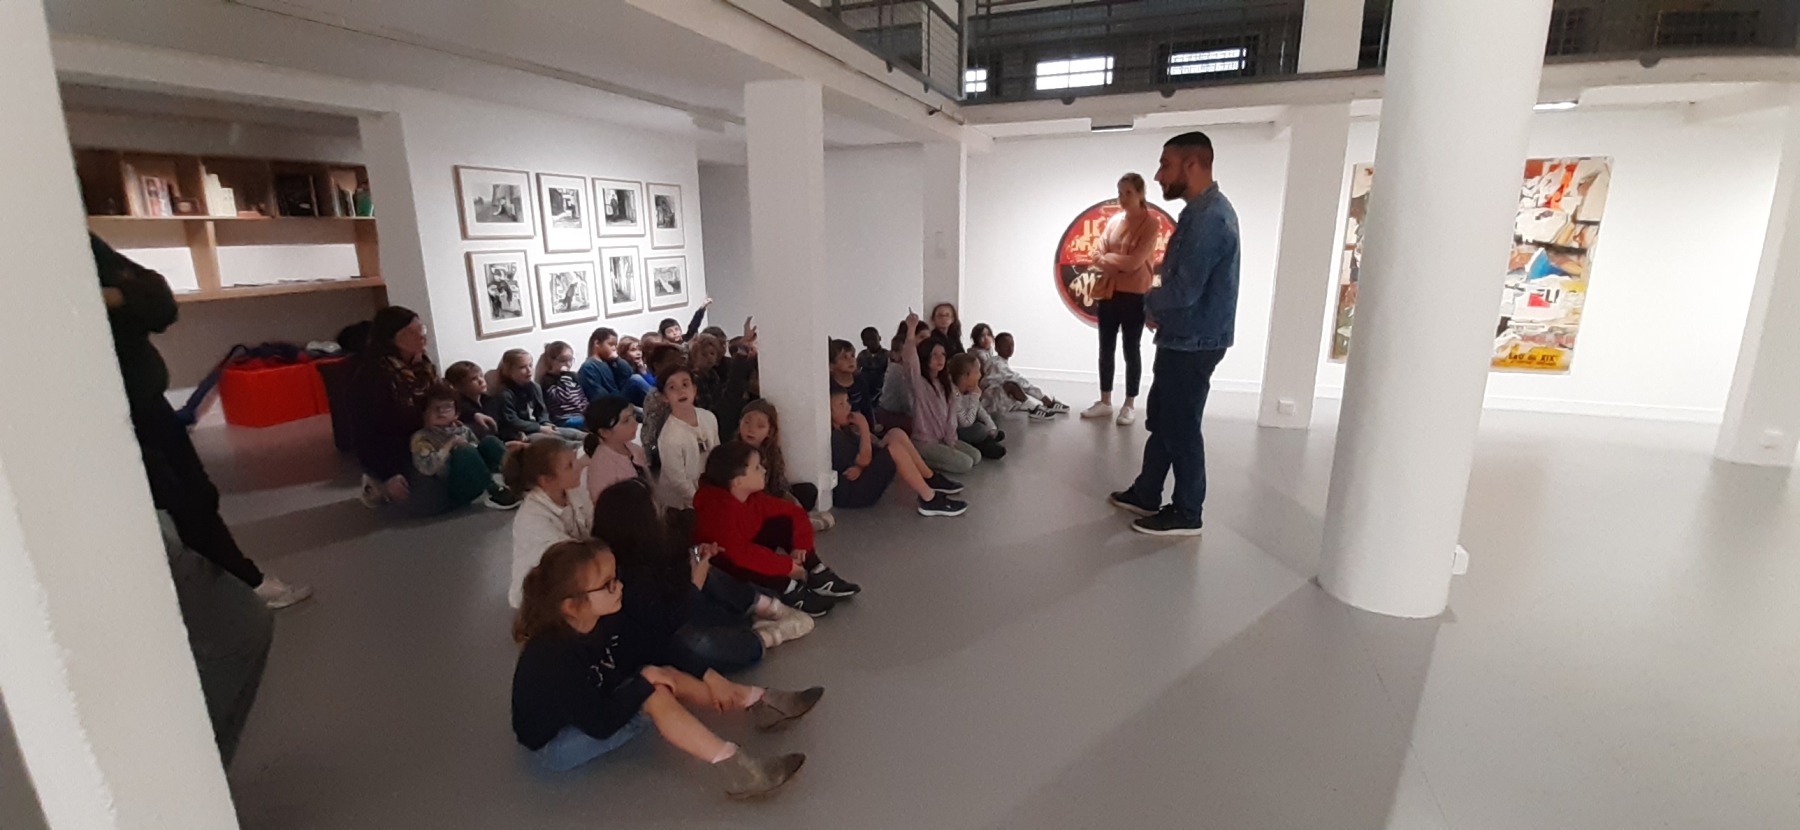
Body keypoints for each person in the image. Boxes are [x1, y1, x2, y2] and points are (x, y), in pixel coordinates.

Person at [92, 234, 309, 609]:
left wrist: (112, 297)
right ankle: (222, 592)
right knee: (166, 501)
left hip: (147, 405)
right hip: (105, 414)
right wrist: (120, 298)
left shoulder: (87, 248)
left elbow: (160, 301)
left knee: (194, 495)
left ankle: (240, 585)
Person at [509, 539, 818, 795]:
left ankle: (754, 700)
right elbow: (600, 723)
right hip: (557, 744)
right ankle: (739, 769)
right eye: (608, 584)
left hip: (594, 702)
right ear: (572, 605)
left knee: (659, 675)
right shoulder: (552, 657)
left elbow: (654, 646)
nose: (619, 587)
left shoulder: (603, 619)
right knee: (654, 694)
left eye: (616, 578)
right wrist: (644, 682)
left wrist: (708, 676)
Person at [1109, 131, 1240, 537]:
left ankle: (1187, 511)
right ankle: (1148, 492)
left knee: (1181, 425)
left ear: (1192, 165)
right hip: (1184, 336)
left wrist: (1149, 303)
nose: (1158, 175)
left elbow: (1185, 289)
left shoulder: (1209, 218)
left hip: (1194, 341)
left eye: (1165, 165)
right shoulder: (1199, 213)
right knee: (1164, 419)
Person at [593, 480, 813, 673]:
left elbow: (675, 564)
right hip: (662, 639)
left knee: (707, 570)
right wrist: (696, 579)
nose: (662, 511)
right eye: (656, 509)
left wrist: (697, 554)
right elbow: (668, 620)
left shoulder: (648, 543)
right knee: (694, 645)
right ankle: (767, 636)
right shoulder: (620, 573)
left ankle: (766, 607)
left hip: (680, 608)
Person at [692, 442, 860, 617]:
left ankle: (816, 571)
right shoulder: (717, 512)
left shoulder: (752, 497)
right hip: (724, 565)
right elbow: (742, 555)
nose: (764, 470)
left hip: (745, 546)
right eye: (756, 468)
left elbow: (794, 513)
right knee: (746, 562)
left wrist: (801, 545)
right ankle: (789, 588)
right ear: (738, 481)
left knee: (782, 522)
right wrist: (786, 567)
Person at [1082, 173, 1162, 427]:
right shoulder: (1114, 221)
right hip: (1109, 292)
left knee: (1131, 349)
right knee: (1105, 348)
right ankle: (1105, 401)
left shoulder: (1151, 224)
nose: (1123, 198)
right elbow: (1096, 254)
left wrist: (1109, 260)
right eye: (1120, 193)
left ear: (1140, 194)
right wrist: (1117, 262)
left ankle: (1129, 404)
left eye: (1128, 193)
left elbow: (1134, 263)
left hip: (1135, 295)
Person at [829, 390, 967, 516]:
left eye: (847, 401)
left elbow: (864, 457)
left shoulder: (845, 430)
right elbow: (864, 461)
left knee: (896, 434)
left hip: (860, 477)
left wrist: (861, 464)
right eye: (841, 405)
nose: (848, 407)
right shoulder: (836, 437)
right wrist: (864, 427)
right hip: (853, 493)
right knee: (894, 449)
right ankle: (929, 498)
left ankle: (929, 477)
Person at [506, 438, 592, 609]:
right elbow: (564, 557)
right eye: (569, 466)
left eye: (574, 459)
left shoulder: (571, 490)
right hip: (544, 589)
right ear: (546, 480)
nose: (578, 467)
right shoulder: (532, 518)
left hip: (573, 567)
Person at [410, 384, 519, 512]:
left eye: (447, 407)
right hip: (448, 487)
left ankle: (519, 478)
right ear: (425, 413)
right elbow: (428, 468)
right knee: (464, 451)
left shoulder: (462, 429)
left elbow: (477, 452)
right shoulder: (421, 438)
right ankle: (493, 490)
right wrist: (450, 445)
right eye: (435, 408)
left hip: (472, 475)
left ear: (456, 413)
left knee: (489, 441)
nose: (441, 412)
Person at [900, 312, 981, 475]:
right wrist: (911, 330)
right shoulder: (918, 382)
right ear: (926, 357)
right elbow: (910, 361)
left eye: (943, 354)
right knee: (965, 464)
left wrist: (951, 440)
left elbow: (952, 417)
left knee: (976, 457)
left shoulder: (945, 384)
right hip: (925, 441)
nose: (940, 359)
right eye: (935, 355)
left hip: (944, 439)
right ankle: (916, 457)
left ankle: (938, 455)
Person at [737, 399, 828, 531]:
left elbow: (778, 485)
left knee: (807, 491)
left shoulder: (772, 453)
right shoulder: (733, 452)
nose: (751, 429)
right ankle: (797, 523)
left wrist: (790, 502)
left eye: (760, 426)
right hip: (749, 501)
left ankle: (798, 518)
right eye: (746, 422)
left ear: (770, 431)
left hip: (770, 495)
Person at [656, 367, 719, 511]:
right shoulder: (669, 436)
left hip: (707, 487)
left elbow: (716, 453)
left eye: (685, 384)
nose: (681, 391)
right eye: (672, 387)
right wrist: (699, 500)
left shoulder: (708, 417)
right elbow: (677, 481)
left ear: (694, 389)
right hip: (680, 504)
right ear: (664, 397)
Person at [497, 348, 584, 443]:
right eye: (522, 367)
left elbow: (542, 411)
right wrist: (539, 428)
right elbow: (512, 421)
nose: (529, 370)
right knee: (562, 443)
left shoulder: (534, 387)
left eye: (530, 365)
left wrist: (546, 423)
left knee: (578, 435)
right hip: (522, 433)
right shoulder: (505, 394)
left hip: (541, 427)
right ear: (509, 371)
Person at [975, 331, 1065, 421]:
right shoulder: (997, 365)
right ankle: (1034, 408)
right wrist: (1043, 398)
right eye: (1005, 345)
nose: (1010, 348)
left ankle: (1036, 405)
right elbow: (1020, 381)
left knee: (1014, 388)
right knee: (1011, 385)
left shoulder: (996, 361)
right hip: (991, 402)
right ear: (997, 348)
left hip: (993, 399)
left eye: (1012, 345)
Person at [582, 395, 650, 504]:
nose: (635, 422)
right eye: (626, 421)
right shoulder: (602, 468)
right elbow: (606, 506)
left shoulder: (634, 448)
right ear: (605, 432)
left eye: (633, 416)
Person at [638, 344, 686, 460]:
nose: (678, 365)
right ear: (657, 366)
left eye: (681, 361)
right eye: (672, 361)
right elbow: (650, 433)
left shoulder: (687, 389)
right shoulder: (656, 397)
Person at [537, 341, 588, 430]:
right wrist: (564, 377)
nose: (568, 364)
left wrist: (586, 410)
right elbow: (563, 397)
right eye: (563, 361)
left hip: (580, 415)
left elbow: (581, 396)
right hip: (563, 419)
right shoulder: (548, 381)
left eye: (570, 360)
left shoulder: (573, 376)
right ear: (551, 361)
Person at [444, 360, 501, 439]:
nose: (481, 381)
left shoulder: (490, 400)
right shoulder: (459, 407)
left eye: (481, 376)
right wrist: (474, 415)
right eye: (473, 379)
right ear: (458, 386)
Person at [577, 327, 635, 403]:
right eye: (611, 344)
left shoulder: (609, 362)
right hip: (611, 404)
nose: (614, 348)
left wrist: (618, 359)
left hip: (622, 400)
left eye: (615, 345)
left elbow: (628, 375)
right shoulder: (589, 367)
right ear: (597, 343)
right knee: (636, 379)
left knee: (635, 379)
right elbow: (598, 395)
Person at [829, 339, 878, 426]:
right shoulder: (831, 385)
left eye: (852, 356)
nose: (851, 360)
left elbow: (867, 407)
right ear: (831, 365)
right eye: (844, 357)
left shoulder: (860, 381)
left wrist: (870, 427)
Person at [856, 326, 888, 393]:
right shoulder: (862, 355)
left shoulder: (887, 355)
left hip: (884, 387)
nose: (871, 342)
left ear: (879, 338)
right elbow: (856, 371)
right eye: (868, 340)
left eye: (874, 338)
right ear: (864, 343)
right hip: (865, 388)